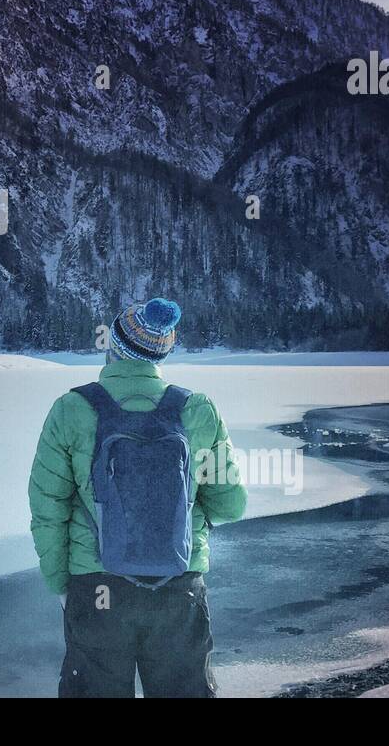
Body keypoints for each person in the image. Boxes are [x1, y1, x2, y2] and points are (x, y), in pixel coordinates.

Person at [28, 297, 247, 697]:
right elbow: (231, 505)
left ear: (113, 345)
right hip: (178, 586)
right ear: (161, 353)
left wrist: (63, 585)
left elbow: (48, 508)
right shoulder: (198, 409)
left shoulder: (71, 409)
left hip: (96, 588)